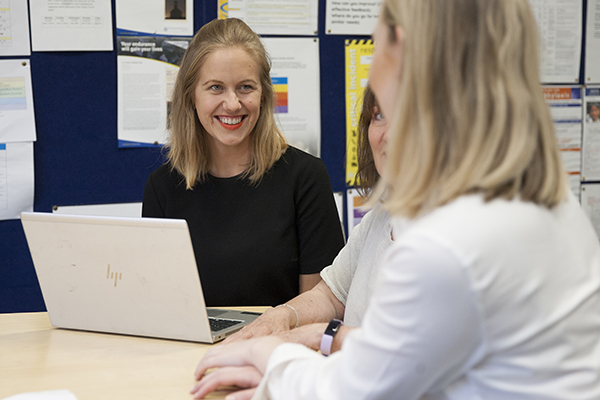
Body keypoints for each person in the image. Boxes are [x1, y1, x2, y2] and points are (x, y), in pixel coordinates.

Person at [191, 0, 600, 399]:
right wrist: (289, 328)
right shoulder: (538, 196)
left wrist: (267, 354)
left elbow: (350, 391)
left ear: (399, 45)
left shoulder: (449, 242)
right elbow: (345, 308)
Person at [142, 18, 345, 307]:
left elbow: (320, 310)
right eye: (215, 88)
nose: (233, 104)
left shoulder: (306, 178)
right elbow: (159, 306)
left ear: (263, 95)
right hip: (192, 352)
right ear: (191, 96)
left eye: (245, 87)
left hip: (278, 349)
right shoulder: (162, 187)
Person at [220, 85, 393, 352]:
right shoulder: (380, 219)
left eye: (408, 116)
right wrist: (282, 316)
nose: (390, 135)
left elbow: (403, 351)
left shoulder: (459, 234)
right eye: (380, 115)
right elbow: (331, 296)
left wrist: (318, 336)